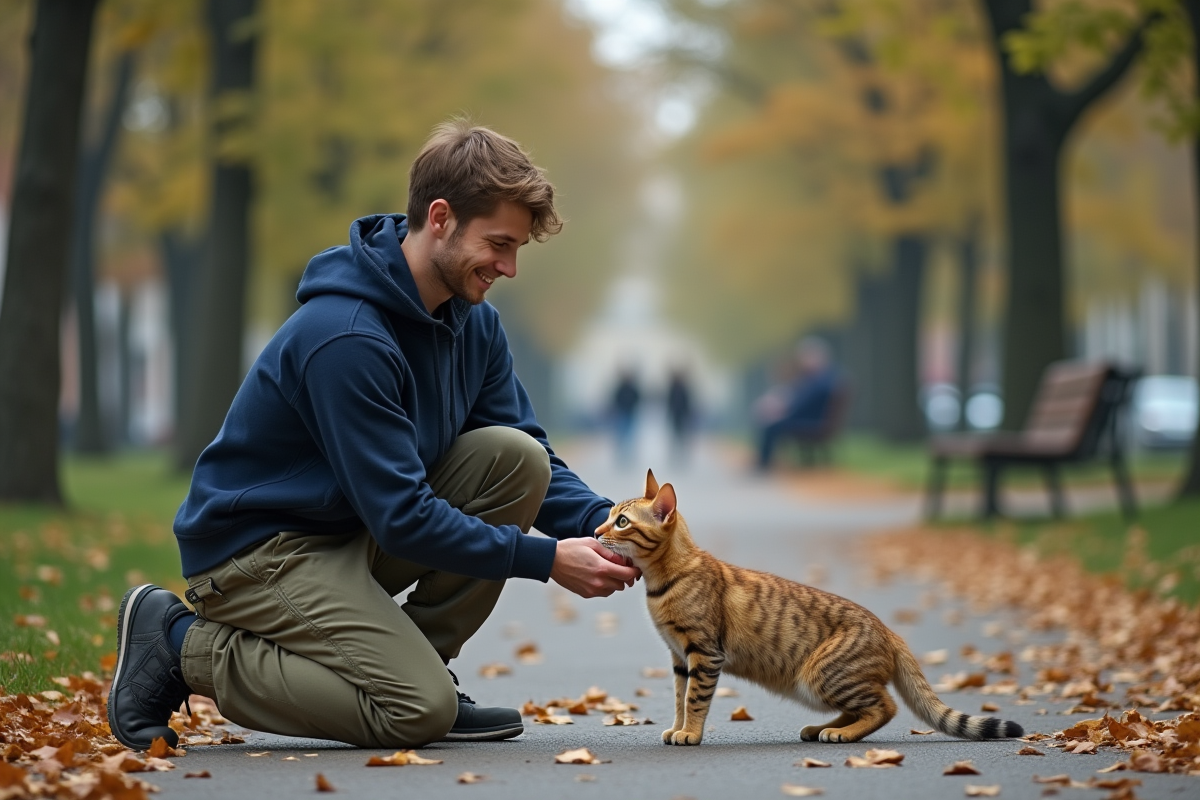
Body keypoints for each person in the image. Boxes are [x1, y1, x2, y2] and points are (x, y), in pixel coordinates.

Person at [106, 120, 640, 752]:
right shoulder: (347, 337)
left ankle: (414, 669)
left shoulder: (473, 323)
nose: (509, 267)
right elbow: (404, 518)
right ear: (440, 217)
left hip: (347, 531)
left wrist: (616, 524)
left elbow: (532, 456)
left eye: (517, 248)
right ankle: (178, 643)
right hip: (260, 553)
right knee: (415, 715)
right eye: (498, 243)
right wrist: (547, 560)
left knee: (515, 459)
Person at [754, 337, 839, 470]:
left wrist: (783, 408)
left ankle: (764, 463)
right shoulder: (819, 377)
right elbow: (800, 398)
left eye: (807, 357)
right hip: (811, 418)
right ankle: (763, 461)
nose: (803, 361)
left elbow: (803, 402)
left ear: (818, 356)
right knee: (769, 420)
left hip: (813, 422)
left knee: (771, 424)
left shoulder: (821, 379)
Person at [609, 367, 640, 464]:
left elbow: (637, 398)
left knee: (629, 435)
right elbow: (616, 399)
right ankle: (622, 454)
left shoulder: (632, 388)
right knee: (622, 434)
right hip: (622, 412)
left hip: (631, 412)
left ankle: (628, 455)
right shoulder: (621, 388)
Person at [666, 366, 695, 464]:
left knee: (682, 436)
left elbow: (687, 402)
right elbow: (669, 402)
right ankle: (675, 455)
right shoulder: (673, 388)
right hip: (675, 415)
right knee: (675, 436)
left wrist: (687, 413)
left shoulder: (683, 389)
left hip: (682, 415)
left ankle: (681, 455)